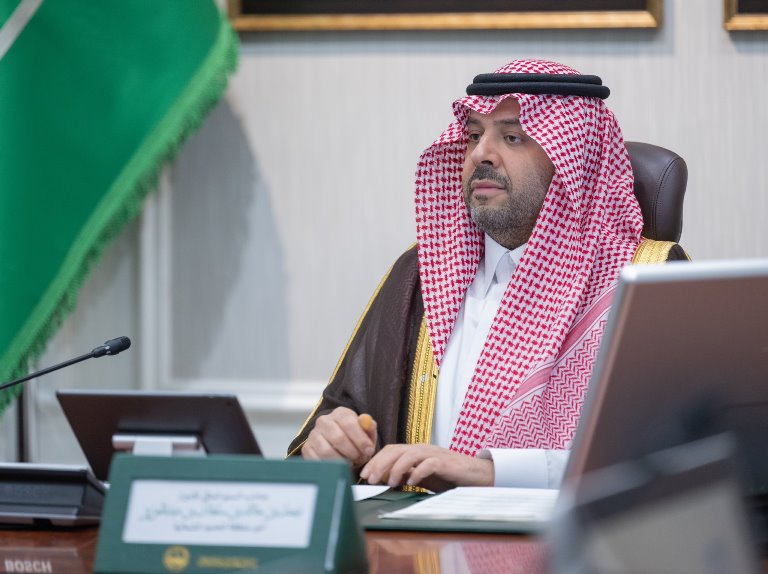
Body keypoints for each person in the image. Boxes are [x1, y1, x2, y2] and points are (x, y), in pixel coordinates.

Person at [287, 59, 687, 492]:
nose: (480, 155)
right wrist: (332, 445)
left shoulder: (650, 281)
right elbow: (341, 412)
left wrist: (493, 473)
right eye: (474, 135)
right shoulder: (420, 274)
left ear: (575, 161)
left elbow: (680, 455)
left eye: (512, 137)